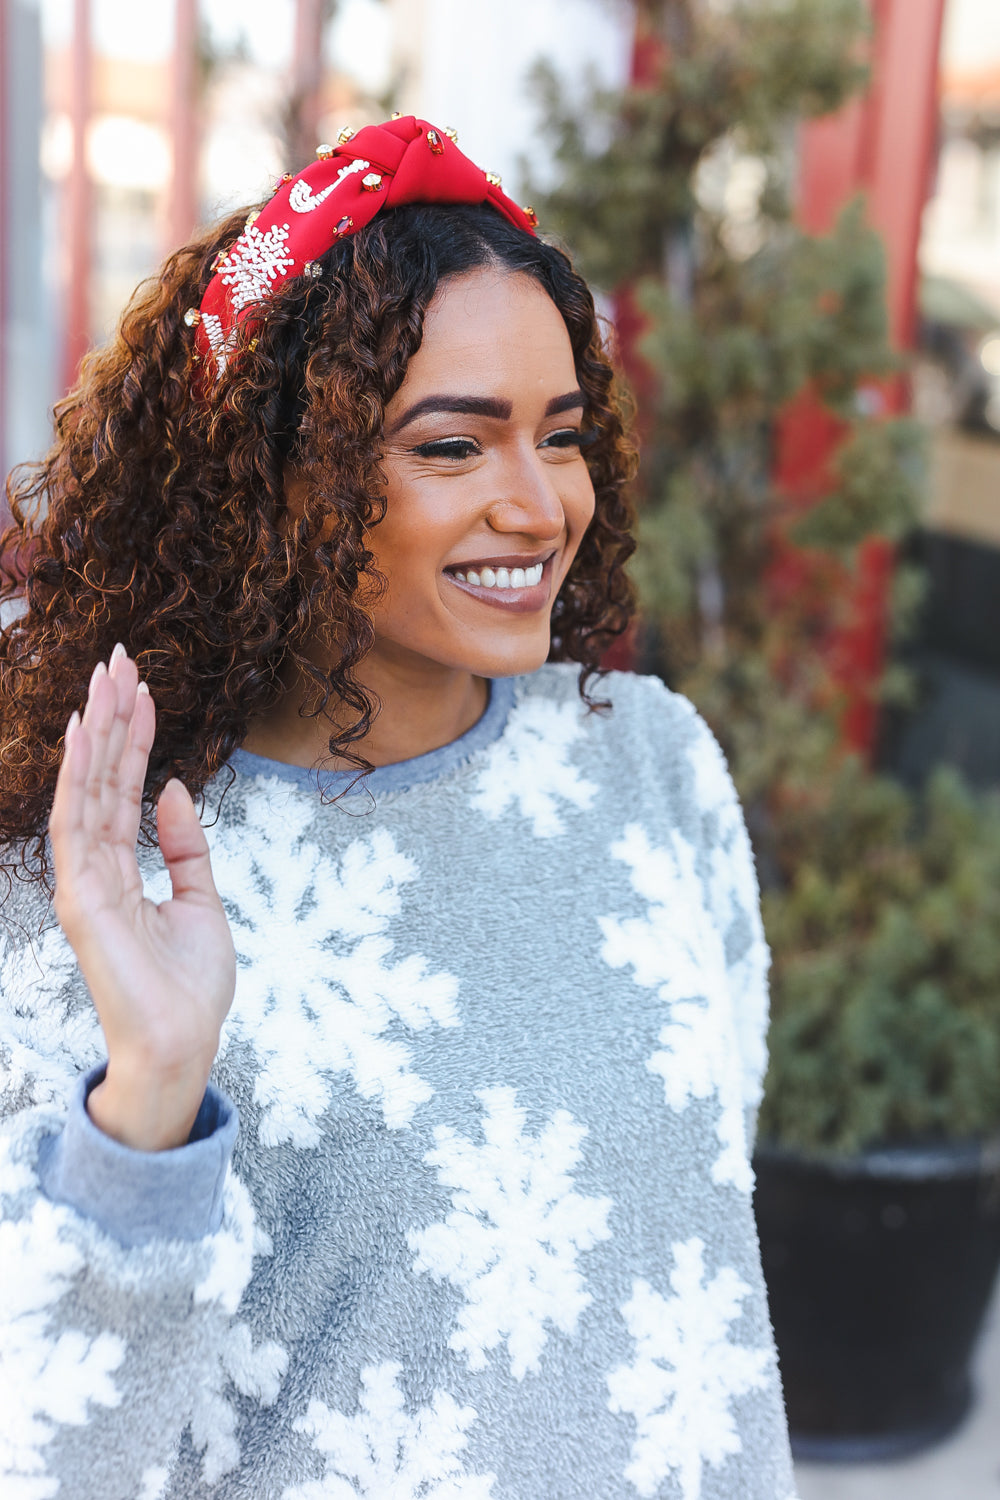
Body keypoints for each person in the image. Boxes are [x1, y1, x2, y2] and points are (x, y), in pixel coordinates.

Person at [0, 116, 796, 1499]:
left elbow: (704, 1202)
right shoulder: (89, 884)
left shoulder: (652, 764)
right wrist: (150, 1103)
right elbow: (53, 1457)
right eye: (452, 447)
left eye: (562, 436)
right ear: (280, 479)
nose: (541, 504)